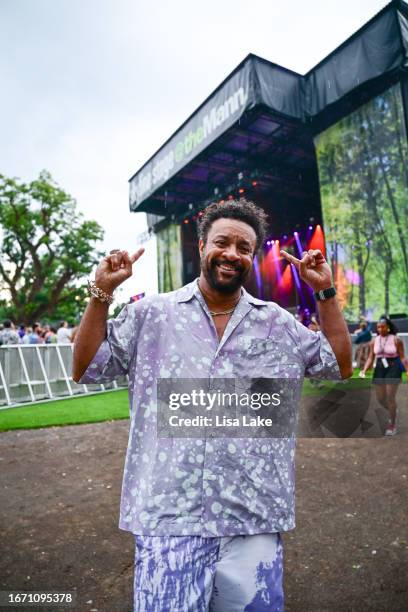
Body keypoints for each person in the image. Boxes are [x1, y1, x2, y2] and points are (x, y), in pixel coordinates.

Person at [73, 199, 352, 611]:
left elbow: (338, 365)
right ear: (202, 246)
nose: (232, 254)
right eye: (223, 242)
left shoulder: (275, 322)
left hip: (252, 517)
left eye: (244, 248)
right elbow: (87, 366)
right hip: (170, 518)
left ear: (252, 258)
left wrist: (324, 291)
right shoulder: (152, 315)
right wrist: (101, 293)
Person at [360, 316, 408, 436]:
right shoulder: (374, 341)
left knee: (390, 396)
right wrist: (364, 370)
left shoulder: (397, 340)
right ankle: (393, 411)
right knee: (381, 398)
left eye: (383, 326)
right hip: (380, 368)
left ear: (388, 327)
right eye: (378, 327)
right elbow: (371, 357)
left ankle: (392, 425)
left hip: (394, 367)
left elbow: (402, 357)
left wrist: (407, 369)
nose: (380, 329)